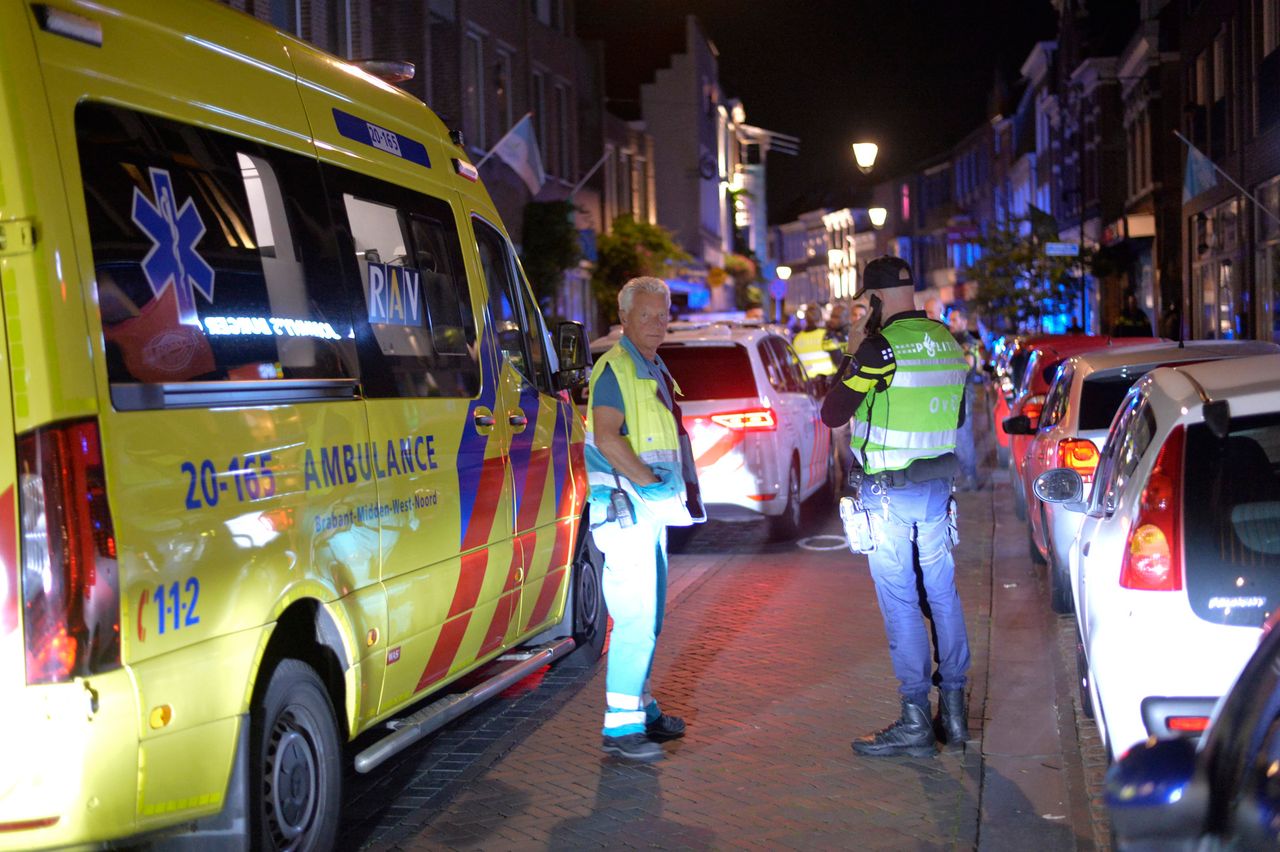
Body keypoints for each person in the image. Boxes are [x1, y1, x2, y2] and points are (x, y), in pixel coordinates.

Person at [822, 256, 971, 757]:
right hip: (936, 490)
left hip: (887, 494)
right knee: (943, 594)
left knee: (902, 601)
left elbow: (832, 413)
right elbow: (959, 413)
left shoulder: (879, 349)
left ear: (877, 299)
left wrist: (857, 348)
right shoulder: (949, 344)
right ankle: (954, 712)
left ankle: (914, 721)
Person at [585, 276, 706, 763]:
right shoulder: (617, 367)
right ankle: (622, 728)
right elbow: (608, 437)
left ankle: (643, 708)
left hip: (644, 511)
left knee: (649, 615)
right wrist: (649, 484)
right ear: (625, 318)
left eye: (664, 314)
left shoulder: (649, 364)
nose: (659, 323)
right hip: (627, 509)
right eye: (648, 316)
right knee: (636, 617)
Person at [948, 308, 983, 492]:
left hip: (963, 391)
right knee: (958, 435)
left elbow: (968, 364)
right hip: (958, 391)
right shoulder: (957, 339)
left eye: (954, 319)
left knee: (962, 435)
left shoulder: (966, 340)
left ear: (963, 321)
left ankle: (970, 477)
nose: (950, 323)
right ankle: (965, 476)